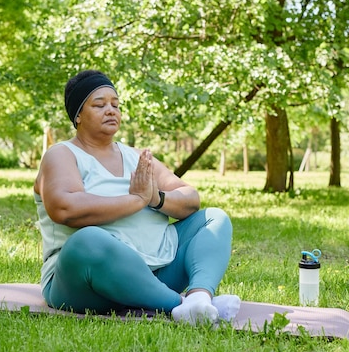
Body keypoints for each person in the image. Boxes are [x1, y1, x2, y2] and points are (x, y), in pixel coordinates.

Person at [33, 70, 240, 325]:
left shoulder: (137, 156)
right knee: (87, 239)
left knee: (213, 218)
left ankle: (200, 297)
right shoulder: (62, 155)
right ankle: (181, 305)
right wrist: (136, 201)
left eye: (115, 105)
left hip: (159, 273)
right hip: (87, 282)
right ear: (78, 115)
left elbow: (190, 198)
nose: (111, 110)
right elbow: (65, 209)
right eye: (99, 105)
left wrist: (156, 198)